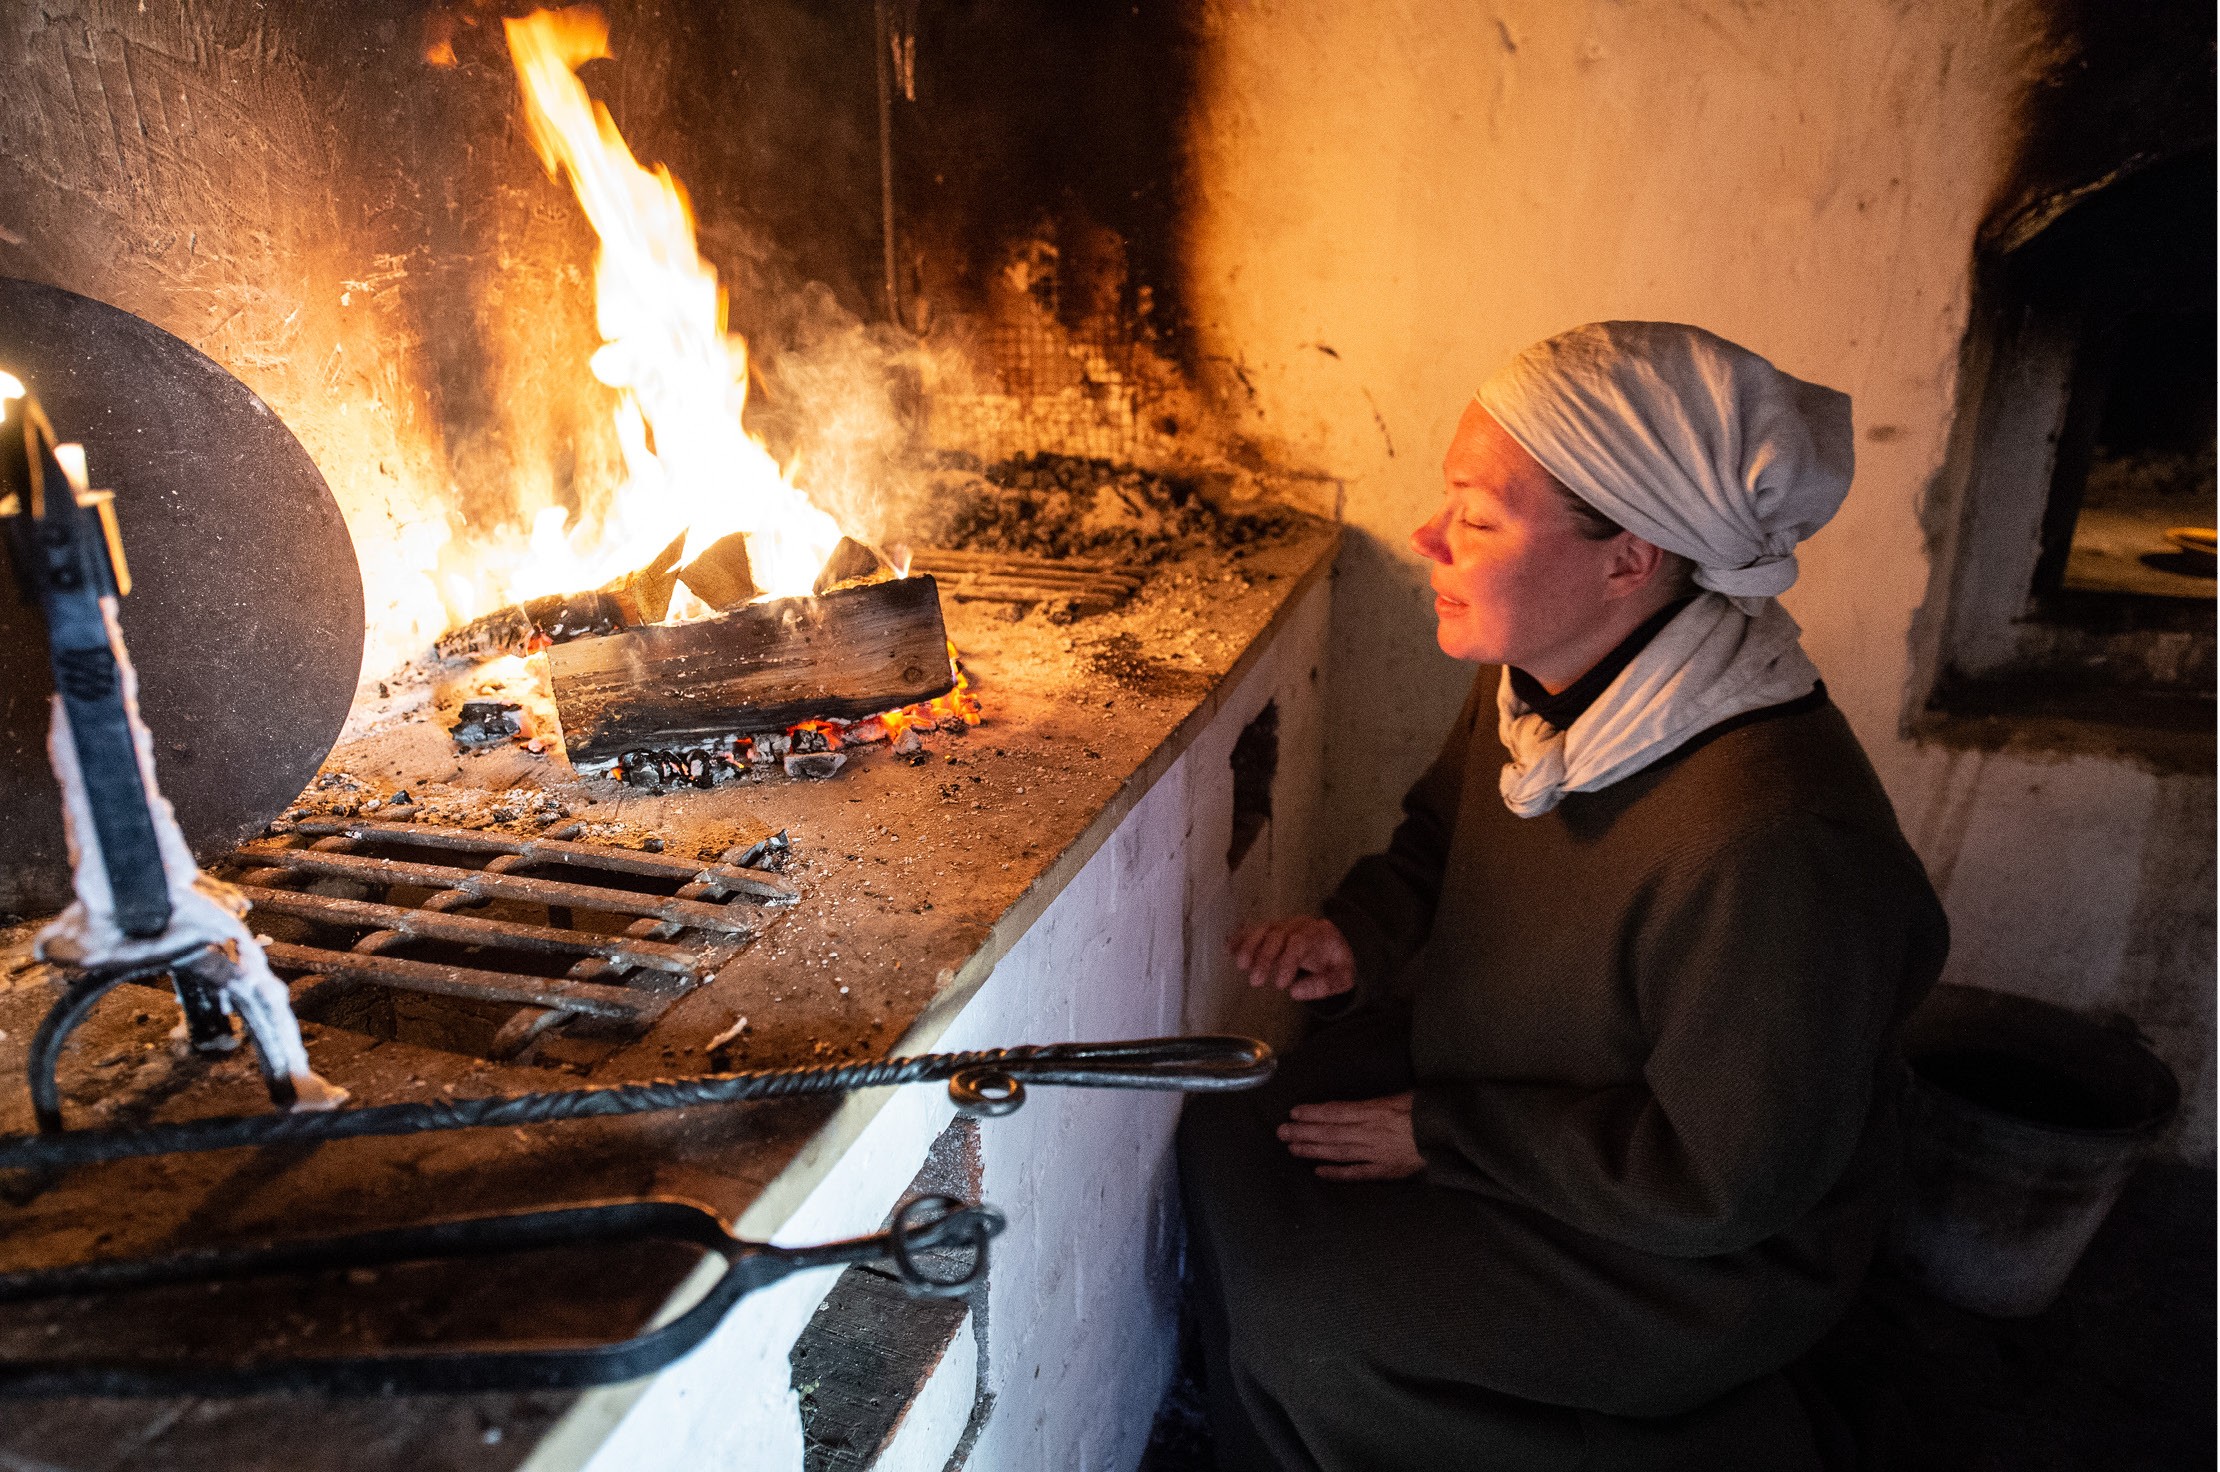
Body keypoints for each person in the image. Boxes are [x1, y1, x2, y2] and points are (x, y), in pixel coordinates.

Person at [1177, 322, 1949, 1471]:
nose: (1426, 536)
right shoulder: (1541, 678)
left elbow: (1722, 1178)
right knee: (1229, 1131)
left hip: (1689, 1249)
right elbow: (1440, 836)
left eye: (1478, 519)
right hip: (1519, 1088)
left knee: (1315, 1320)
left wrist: (1439, 1136)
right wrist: (1360, 935)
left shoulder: (1775, 839)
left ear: (1629, 557)